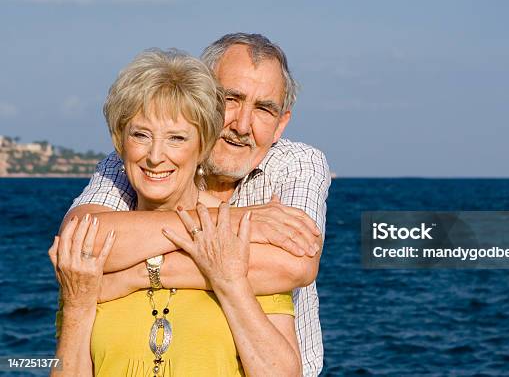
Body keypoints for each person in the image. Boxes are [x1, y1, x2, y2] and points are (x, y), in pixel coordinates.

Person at [64, 33, 331, 376]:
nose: (242, 125)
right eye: (231, 99)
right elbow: (81, 239)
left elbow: (292, 265)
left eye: (264, 109)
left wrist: (128, 276)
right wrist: (235, 221)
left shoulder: (296, 163)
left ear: (281, 123)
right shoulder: (146, 159)